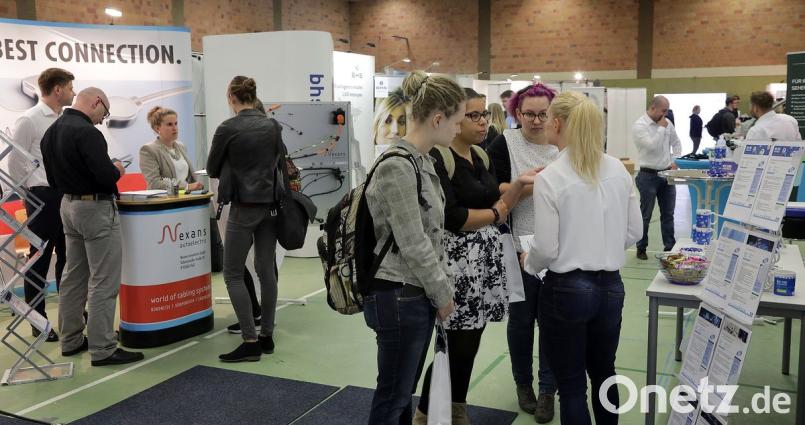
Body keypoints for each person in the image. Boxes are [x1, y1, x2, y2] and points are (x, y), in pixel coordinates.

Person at [414, 88, 535, 425]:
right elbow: (453, 216)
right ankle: (426, 411)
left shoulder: (480, 156)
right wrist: (498, 212)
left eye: (484, 115)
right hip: (456, 266)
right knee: (454, 344)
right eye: (473, 115)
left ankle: (456, 407)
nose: (483, 122)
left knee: (471, 339)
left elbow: (492, 191)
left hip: (482, 263)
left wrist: (522, 185)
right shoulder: (438, 159)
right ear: (452, 118)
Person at [523, 91, 642, 425]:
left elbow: (546, 247)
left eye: (546, 118)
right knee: (605, 372)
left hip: (567, 289)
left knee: (572, 385)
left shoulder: (551, 177)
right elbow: (635, 231)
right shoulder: (618, 169)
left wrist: (530, 264)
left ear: (557, 123)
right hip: (611, 286)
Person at [363, 70, 461, 424]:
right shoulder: (398, 166)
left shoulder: (422, 162)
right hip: (398, 294)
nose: (458, 129)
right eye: (456, 121)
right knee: (393, 396)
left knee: (401, 394)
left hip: (412, 293)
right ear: (438, 118)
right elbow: (414, 241)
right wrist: (442, 293)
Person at [41, 87, 144, 366]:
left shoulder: (51, 131)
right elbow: (105, 178)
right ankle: (103, 348)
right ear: (96, 102)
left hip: (68, 206)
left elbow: (51, 178)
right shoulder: (88, 133)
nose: (101, 119)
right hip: (95, 208)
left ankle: (71, 340)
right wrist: (118, 170)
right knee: (103, 280)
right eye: (104, 113)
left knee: (73, 277)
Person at [487, 83, 559, 423]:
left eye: (542, 114)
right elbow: (491, 188)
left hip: (558, 250)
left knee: (552, 323)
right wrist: (526, 184)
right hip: (517, 246)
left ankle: (548, 390)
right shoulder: (505, 142)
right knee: (520, 323)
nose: (535, 120)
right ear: (517, 113)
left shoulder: (562, 143)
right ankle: (523, 384)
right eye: (528, 113)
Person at [207, 76, 284, 362]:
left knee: (233, 273)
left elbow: (212, 168)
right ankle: (266, 336)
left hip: (243, 207)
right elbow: (279, 163)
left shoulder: (227, 128)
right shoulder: (272, 125)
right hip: (271, 207)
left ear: (231, 97)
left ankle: (250, 340)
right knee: (267, 270)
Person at [9, 68, 75, 342]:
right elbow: (14, 162)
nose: (73, 92)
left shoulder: (64, 119)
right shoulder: (31, 119)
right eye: (71, 87)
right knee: (39, 260)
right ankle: (38, 321)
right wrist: (31, 191)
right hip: (42, 197)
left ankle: (70, 316)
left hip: (65, 195)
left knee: (69, 259)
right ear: (57, 89)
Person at [632, 95, 681, 260]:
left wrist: (675, 161)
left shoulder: (667, 123)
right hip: (647, 176)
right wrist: (661, 128)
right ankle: (641, 248)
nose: (666, 114)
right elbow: (651, 146)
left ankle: (670, 247)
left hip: (667, 175)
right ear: (653, 108)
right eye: (664, 110)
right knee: (645, 215)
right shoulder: (640, 126)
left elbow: (677, 143)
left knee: (668, 214)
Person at [139, 106, 203, 192]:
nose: (174, 128)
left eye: (176, 123)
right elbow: (155, 184)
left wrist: (196, 187)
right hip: (164, 202)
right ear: (157, 128)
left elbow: (188, 178)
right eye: (169, 124)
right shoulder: (148, 150)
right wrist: (186, 186)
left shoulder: (181, 146)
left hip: (186, 198)